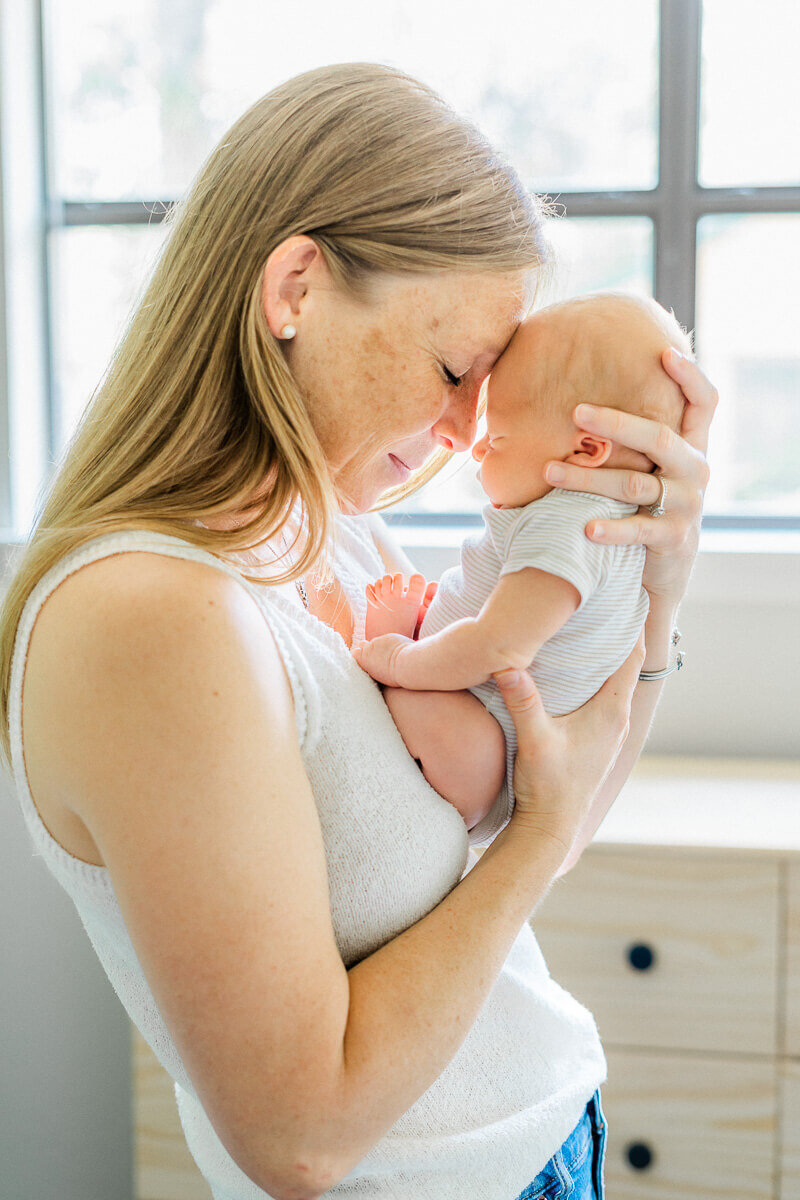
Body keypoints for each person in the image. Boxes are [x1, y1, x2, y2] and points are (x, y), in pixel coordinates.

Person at [0, 63, 716, 1200]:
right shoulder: (149, 620)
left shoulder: (327, 526)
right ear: (294, 287)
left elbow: (548, 816)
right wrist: (531, 843)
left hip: (546, 1120)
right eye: (449, 372)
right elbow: (299, 1138)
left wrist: (653, 598)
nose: (456, 438)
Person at [351, 292, 694, 858]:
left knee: (421, 705)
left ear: (586, 450)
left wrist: (395, 662)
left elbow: (496, 646)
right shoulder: (614, 521)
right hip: (494, 728)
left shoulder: (569, 526)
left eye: (500, 435)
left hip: (485, 750)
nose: (476, 445)